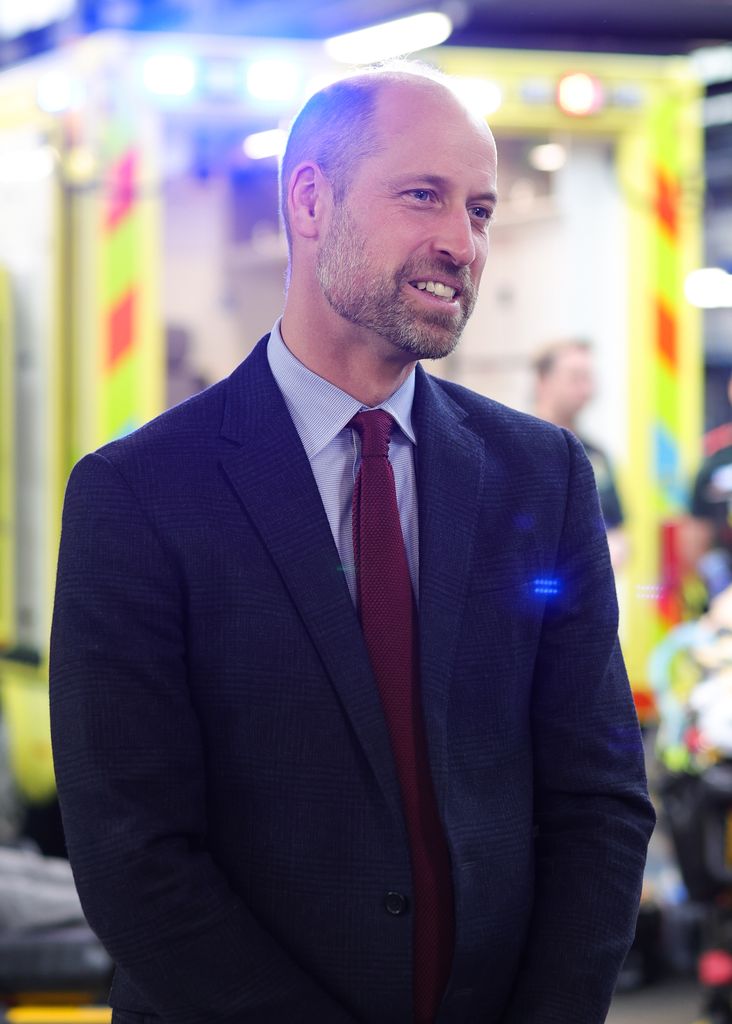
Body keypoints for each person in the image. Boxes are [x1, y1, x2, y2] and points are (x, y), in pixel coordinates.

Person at [50, 64, 655, 1024]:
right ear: (310, 200)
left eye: (483, 210)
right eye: (424, 195)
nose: (462, 242)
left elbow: (600, 799)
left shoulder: (542, 476)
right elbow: (134, 851)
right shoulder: (139, 496)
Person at [532, 338, 629, 571]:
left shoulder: (596, 456)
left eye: (588, 379)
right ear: (544, 382)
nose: (586, 390)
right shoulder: (516, 447)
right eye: (575, 378)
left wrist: (615, 548)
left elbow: (616, 527)